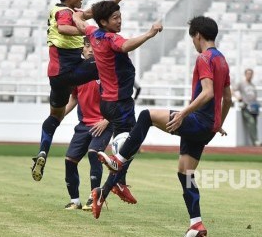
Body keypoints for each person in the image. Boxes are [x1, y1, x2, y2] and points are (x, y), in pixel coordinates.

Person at [97, 16, 232, 236]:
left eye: (192, 39)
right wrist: (218, 124)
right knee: (185, 173)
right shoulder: (222, 60)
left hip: (197, 121)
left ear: (197, 35)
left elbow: (208, 93)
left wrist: (183, 114)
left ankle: (119, 160)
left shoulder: (205, 58)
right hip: (206, 129)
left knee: (146, 115)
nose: (193, 43)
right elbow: (228, 98)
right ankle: (196, 224)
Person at [31, 0, 129, 181]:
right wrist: (90, 32)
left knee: (55, 117)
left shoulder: (64, 10)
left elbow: (88, 13)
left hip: (56, 76)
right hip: (72, 70)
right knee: (109, 62)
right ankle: (119, 122)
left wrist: (113, 1)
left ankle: (42, 152)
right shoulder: (65, 12)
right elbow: (65, 27)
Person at [73, 0, 163, 219]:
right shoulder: (111, 38)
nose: (119, 19)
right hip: (119, 102)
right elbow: (126, 45)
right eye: (115, 17)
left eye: (119, 15)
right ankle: (115, 170)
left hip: (109, 101)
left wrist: (108, 4)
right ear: (104, 21)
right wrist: (150, 33)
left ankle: (112, 186)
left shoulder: (93, 32)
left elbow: (78, 19)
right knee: (129, 143)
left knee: (133, 140)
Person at [62, 37, 133, 210]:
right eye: (87, 46)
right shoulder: (78, 74)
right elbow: (74, 98)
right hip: (83, 125)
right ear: (82, 50)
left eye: (93, 46)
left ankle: (92, 197)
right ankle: (75, 201)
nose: (91, 49)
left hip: (103, 124)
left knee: (94, 153)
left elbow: (116, 99)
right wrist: (58, 116)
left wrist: (106, 120)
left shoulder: (104, 73)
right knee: (69, 160)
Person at [233, 68, 261, 146]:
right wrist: (237, 97)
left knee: (255, 123)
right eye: (248, 74)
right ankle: (255, 141)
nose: (250, 75)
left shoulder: (253, 85)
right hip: (245, 107)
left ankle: (255, 140)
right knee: (251, 122)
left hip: (253, 107)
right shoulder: (241, 83)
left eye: (251, 74)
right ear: (245, 74)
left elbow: (255, 97)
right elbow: (232, 90)